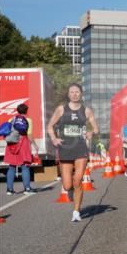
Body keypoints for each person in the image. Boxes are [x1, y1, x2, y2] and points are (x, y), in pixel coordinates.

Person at [46, 83, 98, 222]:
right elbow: (49, 126)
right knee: (67, 185)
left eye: (77, 92)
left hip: (81, 148)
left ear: (81, 94)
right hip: (65, 148)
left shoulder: (87, 111)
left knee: (78, 180)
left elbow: (96, 129)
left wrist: (91, 132)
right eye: (72, 92)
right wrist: (54, 139)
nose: (74, 94)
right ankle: (70, 192)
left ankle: (76, 211)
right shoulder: (61, 109)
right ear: (68, 95)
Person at [4, 103, 36, 195]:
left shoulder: (11, 119)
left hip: (12, 144)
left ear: (17, 110)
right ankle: (27, 188)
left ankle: (9, 190)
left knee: (12, 166)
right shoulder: (28, 120)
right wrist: (35, 145)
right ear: (26, 111)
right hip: (23, 143)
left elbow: (8, 132)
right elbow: (29, 134)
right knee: (25, 166)